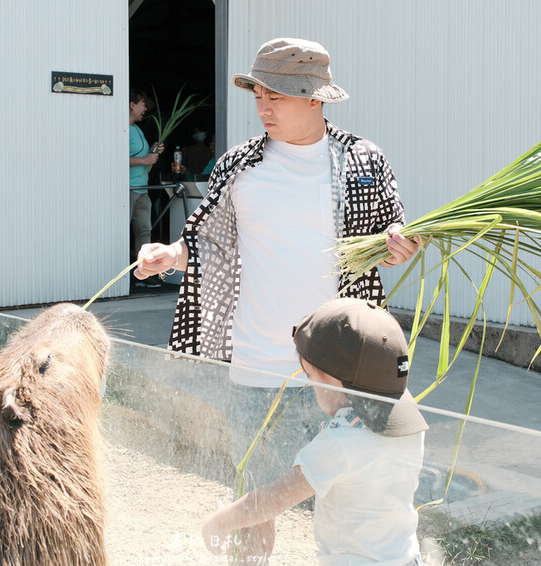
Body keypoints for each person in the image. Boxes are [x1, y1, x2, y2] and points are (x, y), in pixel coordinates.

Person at [134, 36, 422, 555]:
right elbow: (210, 244)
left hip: (341, 370)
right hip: (257, 363)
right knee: (255, 504)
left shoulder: (363, 159)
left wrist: (401, 248)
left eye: (277, 96)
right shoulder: (239, 164)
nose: (263, 107)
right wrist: (170, 255)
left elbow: (391, 237)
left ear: (314, 98)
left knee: (352, 502)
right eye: (258, 95)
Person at [202, 298, 428, 566]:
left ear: (331, 381)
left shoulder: (339, 444)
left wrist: (221, 520)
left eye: (310, 378)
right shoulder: (410, 426)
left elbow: (276, 498)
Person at [129, 88, 164, 288]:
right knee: (127, 232)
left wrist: (152, 151)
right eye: (142, 104)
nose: (145, 108)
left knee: (144, 232)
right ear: (132, 105)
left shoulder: (137, 128)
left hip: (142, 189)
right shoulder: (124, 129)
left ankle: (143, 274)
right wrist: (145, 160)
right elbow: (119, 158)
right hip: (129, 189)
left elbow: (141, 156)